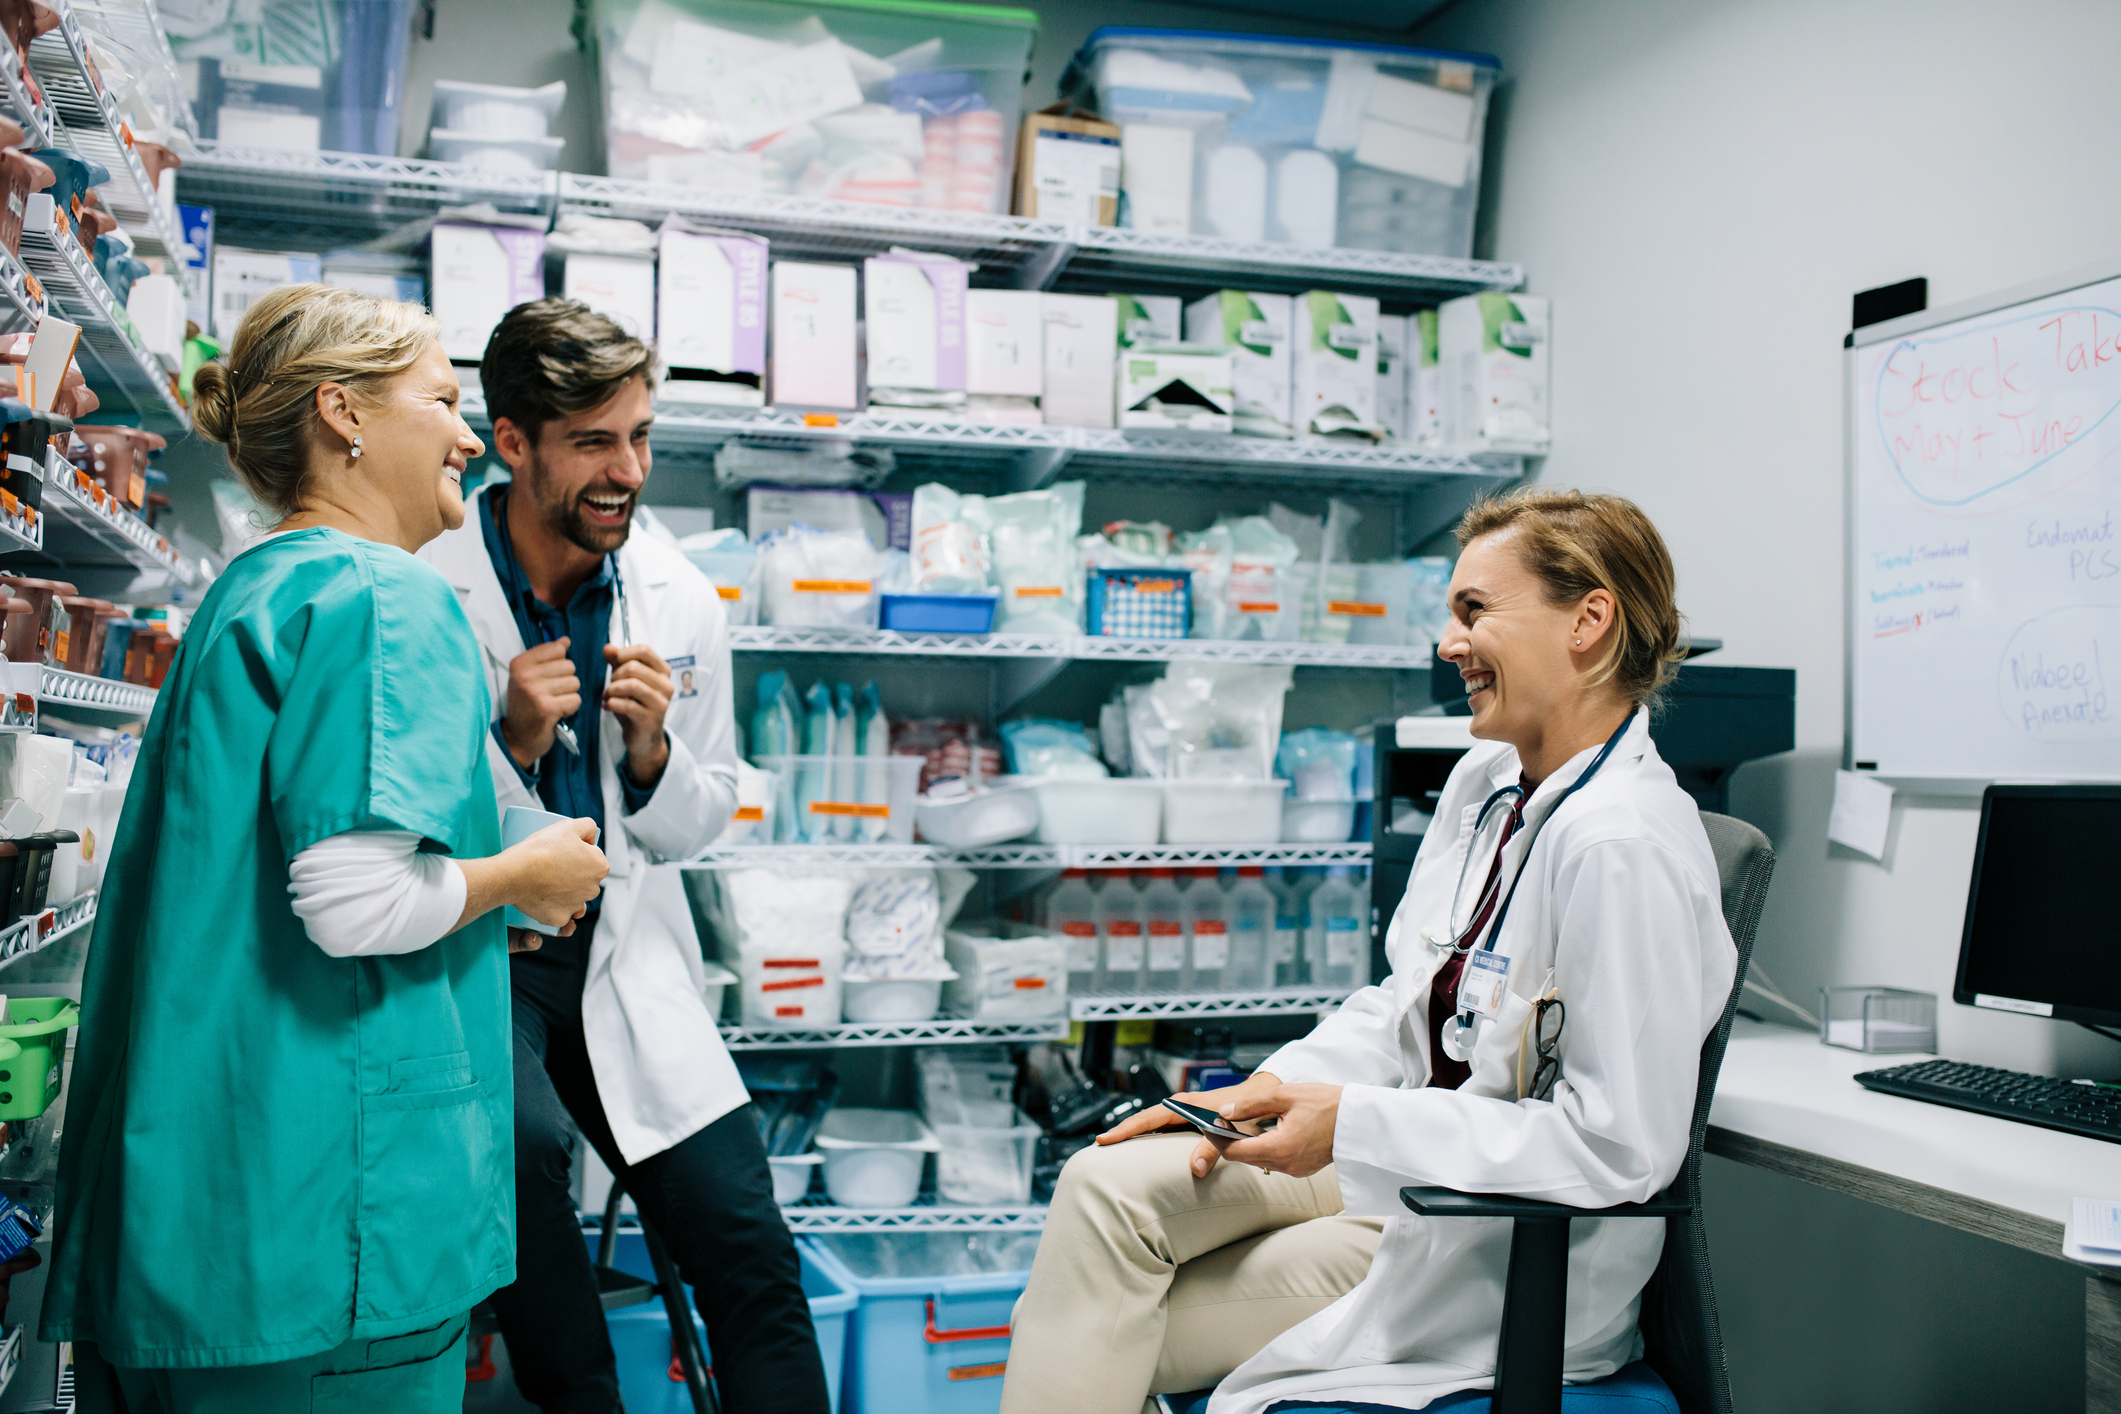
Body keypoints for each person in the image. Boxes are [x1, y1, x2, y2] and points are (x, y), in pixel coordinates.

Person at [1001, 488, 1740, 1414]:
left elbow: (1617, 1148)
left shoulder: (1621, 844)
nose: (1448, 642)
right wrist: (1257, 1096)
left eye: (1475, 610)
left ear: (1589, 620)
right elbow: (1408, 1001)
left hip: (1487, 1240)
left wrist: (1347, 1125)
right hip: (1400, 1164)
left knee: (1102, 1324)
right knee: (1101, 1184)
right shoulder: (1487, 783)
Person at [43, 284, 610, 1413]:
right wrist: (520, 880)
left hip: (211, 1212)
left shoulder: (260, 587)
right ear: (344, 412)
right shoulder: (383, 595)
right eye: (445, 400)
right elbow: (353, 901)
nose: (466, 433)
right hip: (326, 1234)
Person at [420, 298, 829, 1414]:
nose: (626, 471)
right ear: (513, 443)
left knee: (745, 1240)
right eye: (594, 442)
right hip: (484, 951)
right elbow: (395, 825)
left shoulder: (679, 597)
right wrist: (510, 742)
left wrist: (650, 753)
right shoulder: (425, 582)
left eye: (640, 437)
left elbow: (699, 821)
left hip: (621, 954)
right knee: (519, 1156)